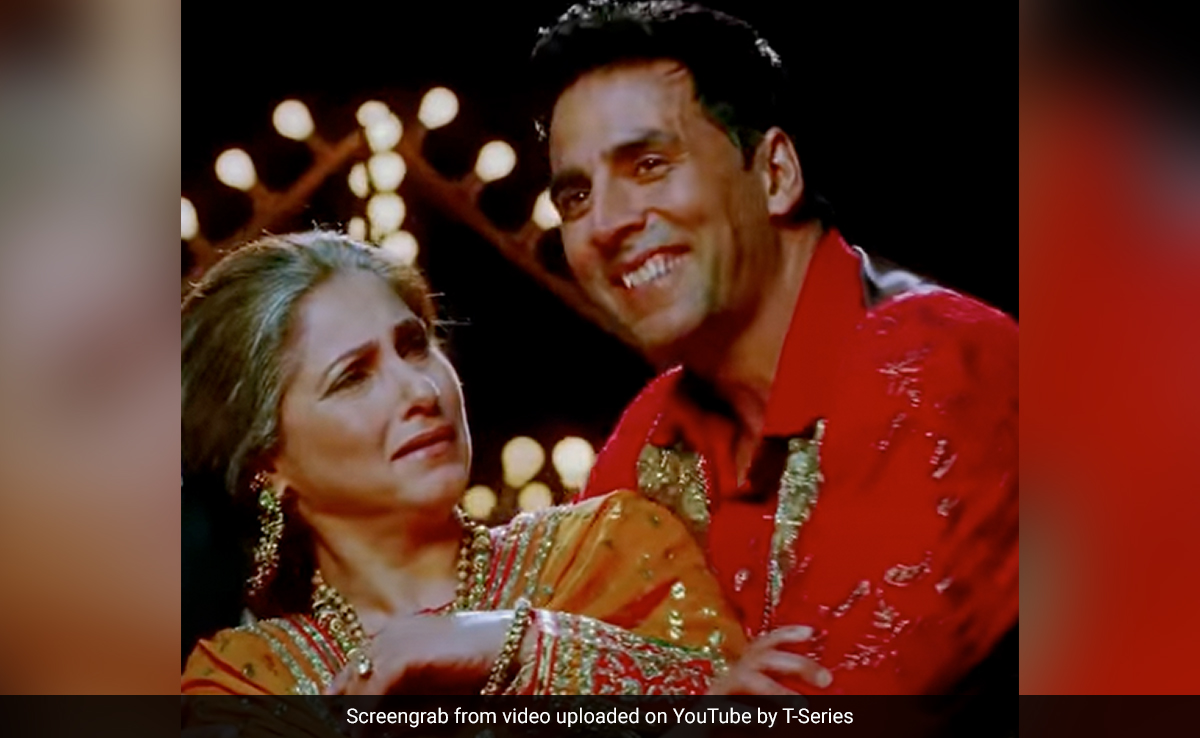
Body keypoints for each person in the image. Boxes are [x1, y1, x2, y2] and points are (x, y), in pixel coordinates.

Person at [531, 1, 1018, 694]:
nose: (605, 223)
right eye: (576, 197)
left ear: (775, 174)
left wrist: (526, 650)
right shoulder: (653, 434)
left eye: (648, 164)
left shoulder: (935, 360)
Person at [180, 230, 783, 697]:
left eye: (415, 346)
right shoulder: (249, 684)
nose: (420, 391)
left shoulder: (610, 551)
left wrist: (518, 643)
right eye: (353, 377)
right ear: (267, 461)